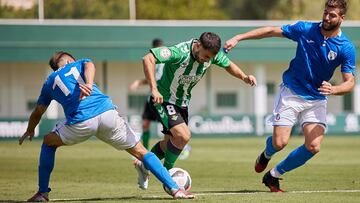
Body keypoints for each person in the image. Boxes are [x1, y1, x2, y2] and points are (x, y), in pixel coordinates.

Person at [19, 51, 194, 202]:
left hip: (80, 124)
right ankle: (175, 189)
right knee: (142, 152)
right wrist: (88, 83)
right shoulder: (79, 63)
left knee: (48, 142)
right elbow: (90, 65)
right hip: (107, 114)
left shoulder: (50, 81)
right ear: (70, 60)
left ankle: (42, 192)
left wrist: (30, 129)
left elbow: (38, 111)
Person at [224, 0, 355, 192]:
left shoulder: (346, 47)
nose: (327, 17)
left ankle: (274, 175)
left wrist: (335, 90)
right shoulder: (305, 29)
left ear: (342, 18)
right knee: (279, 143)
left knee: (313, 146)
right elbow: (271, 31)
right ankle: (267, 154)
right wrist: (239, 37)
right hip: (292, 92)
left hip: (317, 98)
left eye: (332, 15)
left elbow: (350, 82)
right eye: (325, 12)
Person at [139, 32, 257, 188]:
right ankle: (167, 177)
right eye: (205, 56)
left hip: (182, 104)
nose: (206, 60)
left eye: (209, 58)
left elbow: (228, 65)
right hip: (165, 100)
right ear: (198, 45)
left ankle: (144, 165)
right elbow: (148, 58)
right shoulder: (179, 52)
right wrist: (154, 89)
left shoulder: (212, 55)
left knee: (167, 145)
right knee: (184, 136)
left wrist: (243, 77)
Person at [129, 38, 192, 160]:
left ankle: (184, 147)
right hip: (152, 97)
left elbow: (160, 79)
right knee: (146, 124)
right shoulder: (154, 62)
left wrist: (139, 82)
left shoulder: (167, 61)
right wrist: (139, 82)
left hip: (164, 99)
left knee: (174, 129)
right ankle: (144, 152)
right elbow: (151, 78)